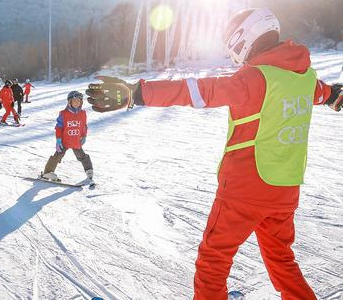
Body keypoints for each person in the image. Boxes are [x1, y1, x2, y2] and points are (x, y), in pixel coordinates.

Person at [85, 7, 342, 300]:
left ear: (245, 38)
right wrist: (335, 96)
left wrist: (137, 92)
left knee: (214, 261)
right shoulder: (304, 79)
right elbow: (323, 93)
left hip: (245, 190)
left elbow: (198, 91)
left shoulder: (254, 79)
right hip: (285, 190)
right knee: (282, 260)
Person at [41, 91, 93, 184]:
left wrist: (84, 135)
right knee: (57, 157)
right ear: (69, 102)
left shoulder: (83, 113)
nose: (77, 103)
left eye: (78, 101)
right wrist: (58, 140)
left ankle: (89, 170)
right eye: (74, 101)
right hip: (64, 141)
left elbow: (84, 126)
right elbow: (59, 127)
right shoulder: (64, 114)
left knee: (82, 156)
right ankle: (47, 173)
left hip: (76, 140)